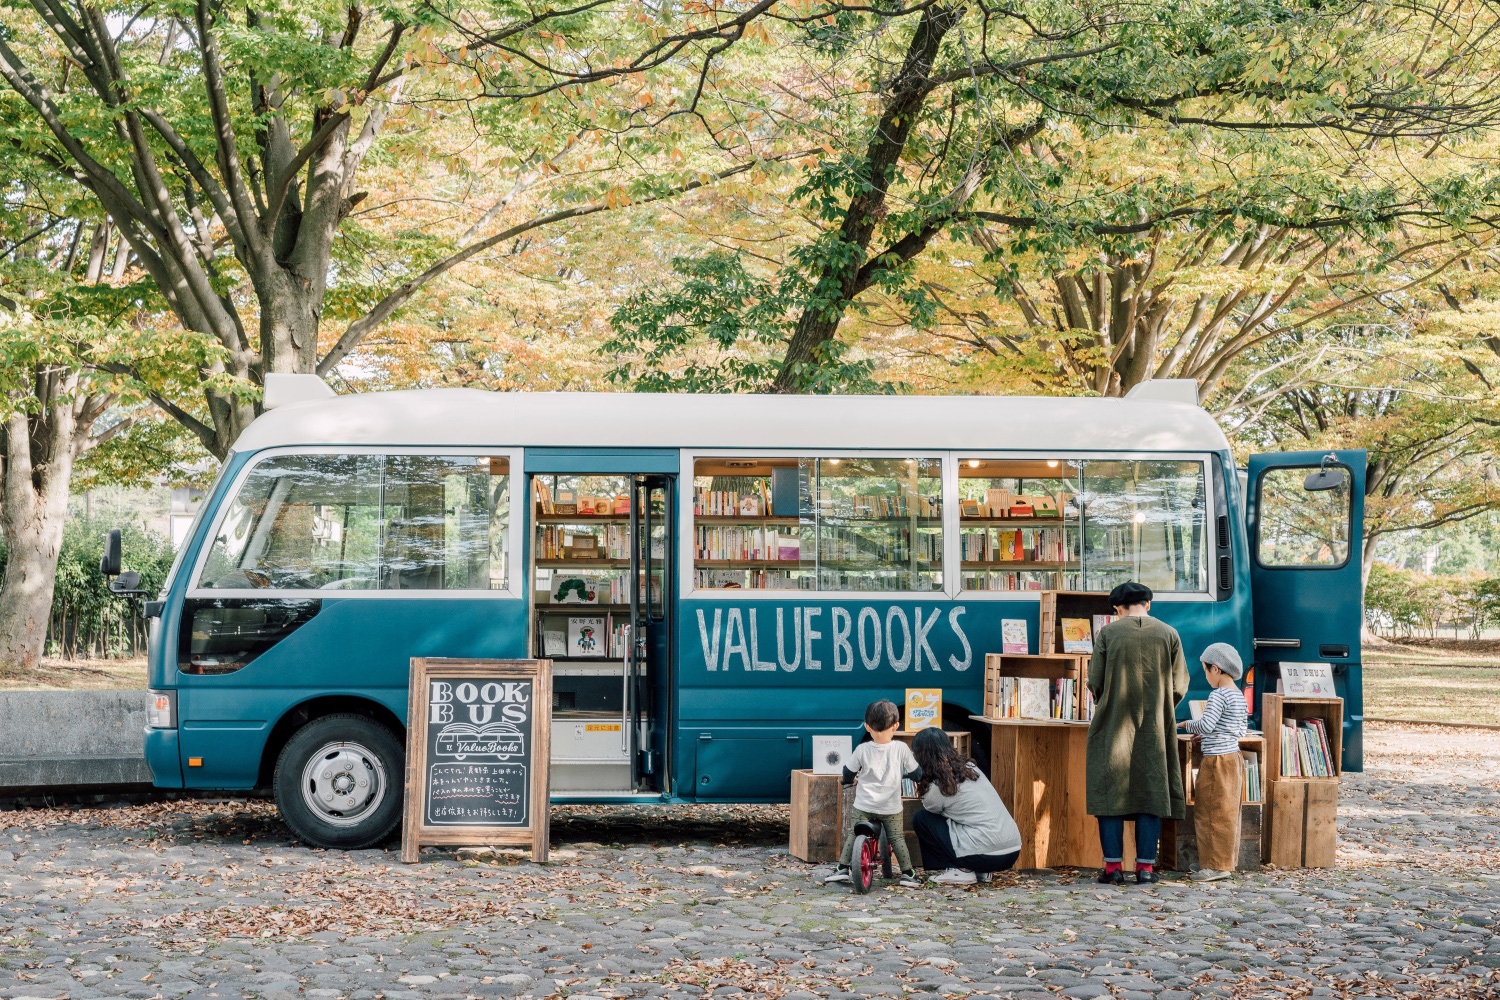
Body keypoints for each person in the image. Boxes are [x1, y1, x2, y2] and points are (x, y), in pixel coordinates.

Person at [1086, 581, 1189, 885]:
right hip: (1156, 730)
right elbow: (1179, 685)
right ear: (1148, 603)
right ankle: (1145, 870)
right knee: (1151, 793)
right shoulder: (1169, 634)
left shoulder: (1108, 633)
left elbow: (1096, 681)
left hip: (1113, 725)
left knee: (1109, 793)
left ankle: (1112, 868)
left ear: (1117, 608)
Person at [824, 700, 923, 888]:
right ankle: (908, 874)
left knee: (854, 834)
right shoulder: (901, 749)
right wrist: (915, 776)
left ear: (867, 726)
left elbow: (848, 772)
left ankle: (842, 869)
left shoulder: (862, 749)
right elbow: (916, 773)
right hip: (890, 807)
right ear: (896, 725)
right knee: (897, 838)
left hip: (864, 805)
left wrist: (847, 781)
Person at [909, 726, 1022, 886]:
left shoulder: (939, 785)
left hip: (985, 853)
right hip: (1011, 851)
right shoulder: (970, 768)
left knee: (923, 819)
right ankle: (980, 870)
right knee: (963, 820)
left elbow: (931, 809)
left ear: (921, 756)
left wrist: (921, 781)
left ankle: (959, 870)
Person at [1178, 642, 1249, 882]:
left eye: (1206, 670)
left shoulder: (1218, 695)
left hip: (1216, 761)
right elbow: (1237, 729)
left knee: (1210, 812)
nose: (1206, 676)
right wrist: (1208, 734)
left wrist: (1186, 724)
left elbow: (1206, 724)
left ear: (1216, 669)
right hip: (1233, 758)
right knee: (1226, 811)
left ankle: (1216, 866)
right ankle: (1218, 861)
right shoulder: (1238, 695)